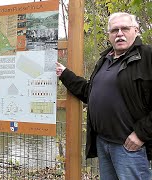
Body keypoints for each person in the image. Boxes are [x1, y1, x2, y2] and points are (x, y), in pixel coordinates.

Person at [56, 12, 152, 179]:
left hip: (130, 146)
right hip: (103, 142)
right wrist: (64, 73)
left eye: (125, 28)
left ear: (136, 31)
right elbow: (89, 92)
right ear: (109, 35)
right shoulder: (104, 60)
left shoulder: (147, 57)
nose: (120, 33)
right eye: (115, 30)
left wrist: (141, 134)